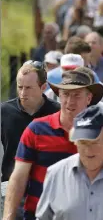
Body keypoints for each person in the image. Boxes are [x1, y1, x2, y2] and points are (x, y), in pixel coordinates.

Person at [3, 70, 103, 220]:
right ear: (59, 96)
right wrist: (8, 217)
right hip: (38, 215)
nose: (70, 101)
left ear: (88, 98)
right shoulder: (36, 129)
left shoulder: (100, 133)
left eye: (77, 95)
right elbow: (18, 178)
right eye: (66, 94)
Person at [1, 61, 60, 218]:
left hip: (48, 192)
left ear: (43, 87)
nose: (22, 93)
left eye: (28, 88)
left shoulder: (58, 113)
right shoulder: (4, 112)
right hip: (11, 190)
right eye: (20, 87)